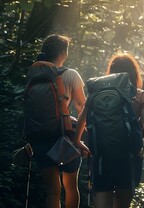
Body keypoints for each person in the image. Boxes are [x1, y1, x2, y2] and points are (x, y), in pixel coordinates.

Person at [74, 53, 144, 208]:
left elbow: (82, 119)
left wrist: (77, 141)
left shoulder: (97, 94)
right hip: (128, 158)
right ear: (134, 73)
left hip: (101, 156)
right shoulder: (140, 96)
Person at [27, 34, 86, 208]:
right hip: (64, 138)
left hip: (40, 137)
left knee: (53, 191)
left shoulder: (34, 75)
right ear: (63, 53)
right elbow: (82, 105)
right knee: (70, 187)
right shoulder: (71, 74)